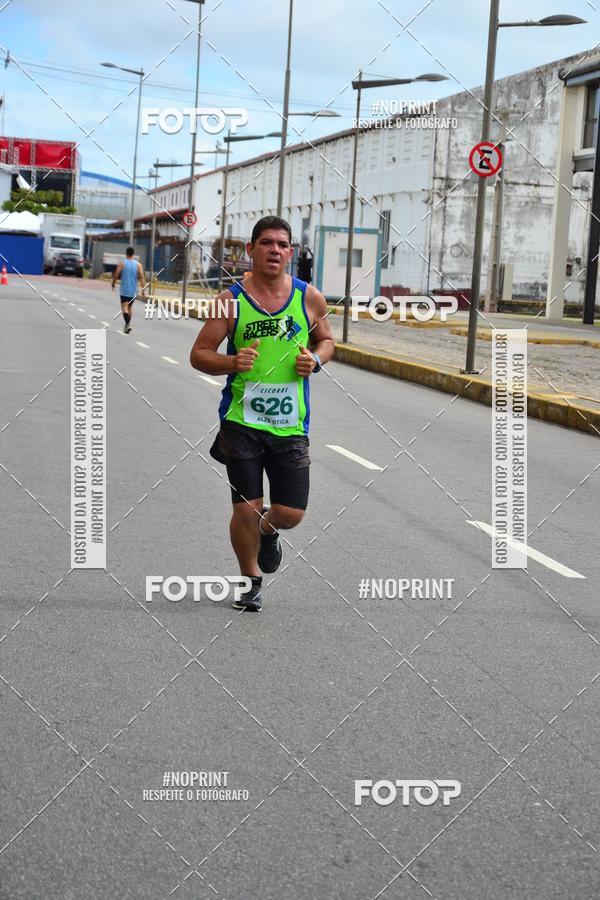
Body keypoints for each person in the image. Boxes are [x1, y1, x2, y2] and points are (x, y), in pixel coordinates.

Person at [190, 216, 334, 612]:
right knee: (244, 508)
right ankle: (250, 580)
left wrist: (316, 361)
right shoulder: (230, 301)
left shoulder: (309, 298)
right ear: (251, 249)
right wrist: (232, 362)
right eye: (267, 242)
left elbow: (326, 340)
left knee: (291, 513)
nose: (275, 250)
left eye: (282, 244)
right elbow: (199, 354)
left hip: (290, 425)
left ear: (291, 252)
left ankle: (269, 529)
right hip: (242, 423)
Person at [112, 247, 146, 333]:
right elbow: (142, 277)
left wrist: (113, 283)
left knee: (124, 308)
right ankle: (127, 325)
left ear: (126, 253)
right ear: (133, 254)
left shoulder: (122, 263)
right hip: (133, 291)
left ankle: (127, 324)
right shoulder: (138, 265)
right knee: (130, 307)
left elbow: (116, 274)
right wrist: (143, 289)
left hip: (124, 290)